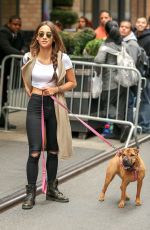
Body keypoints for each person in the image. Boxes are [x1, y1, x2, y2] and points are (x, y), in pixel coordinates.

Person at [21, 21, 77, 209]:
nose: (44, 37)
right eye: (41, 34)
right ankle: (30, 193)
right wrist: (35, 94)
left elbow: (72, 82)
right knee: (35, 151)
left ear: (54, 38)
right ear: (36, 37)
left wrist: (55, 89)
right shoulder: (28, 57)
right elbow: (26, 81)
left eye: (48, 34)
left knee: (53, 149)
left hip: (54, 105)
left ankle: (52, 189)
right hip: (36, 105)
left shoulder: (63, 58)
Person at [94, 20, 127, 142]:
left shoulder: (106, 44)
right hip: (123, 80)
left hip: (110, 81)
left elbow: (98, 60)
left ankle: (123, 126)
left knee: (107, 104)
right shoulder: (123, 43)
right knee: (119, 106)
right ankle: (117, 133)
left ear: (106, 31)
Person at [0, 15, 26, 129]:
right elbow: (6, 47)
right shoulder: (3, 32)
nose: (17, 27)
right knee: (1, 94)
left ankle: (2, 120)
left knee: (3, 94)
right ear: (9, 24)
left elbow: (23, 45)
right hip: (1, 65)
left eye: (19, 25)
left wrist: (23, 50)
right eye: (15, 24)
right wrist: (23, 55)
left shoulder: (19, 34)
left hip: (6, 68)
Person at [119, 20, 141, 124]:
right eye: (122, 26)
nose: (123, 28)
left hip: (129, 79)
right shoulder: (122, 41)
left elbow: (132, 62)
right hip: (123, 78)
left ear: (130, 30)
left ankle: (128, 126)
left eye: (126, 27)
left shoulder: (132, 43)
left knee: (129, 103)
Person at [135, 17, 150, 133]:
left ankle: (145, 125)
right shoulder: (135, 37)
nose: (140, 24)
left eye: (143, 23)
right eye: (138, 22)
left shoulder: (148, 38)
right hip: (137, 74)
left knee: (145, 99)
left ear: (146, 25)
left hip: (146, 74)